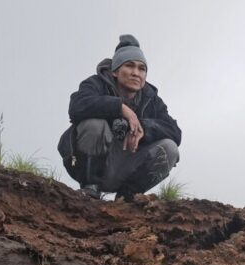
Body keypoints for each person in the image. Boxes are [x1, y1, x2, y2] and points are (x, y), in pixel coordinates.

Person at [58, 34, 181, 201]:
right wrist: (120, 108)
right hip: (87, 162)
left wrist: (142, 128)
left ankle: (127, 197)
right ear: (115, 71)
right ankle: (90, 188)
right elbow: (76, 106)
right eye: (129, 66)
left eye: (141, 68)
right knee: (94, 125)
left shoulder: (151, 99)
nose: (136, 73)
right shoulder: (96, 83)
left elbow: (175, 131)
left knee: (170, 148)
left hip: (128, 164)